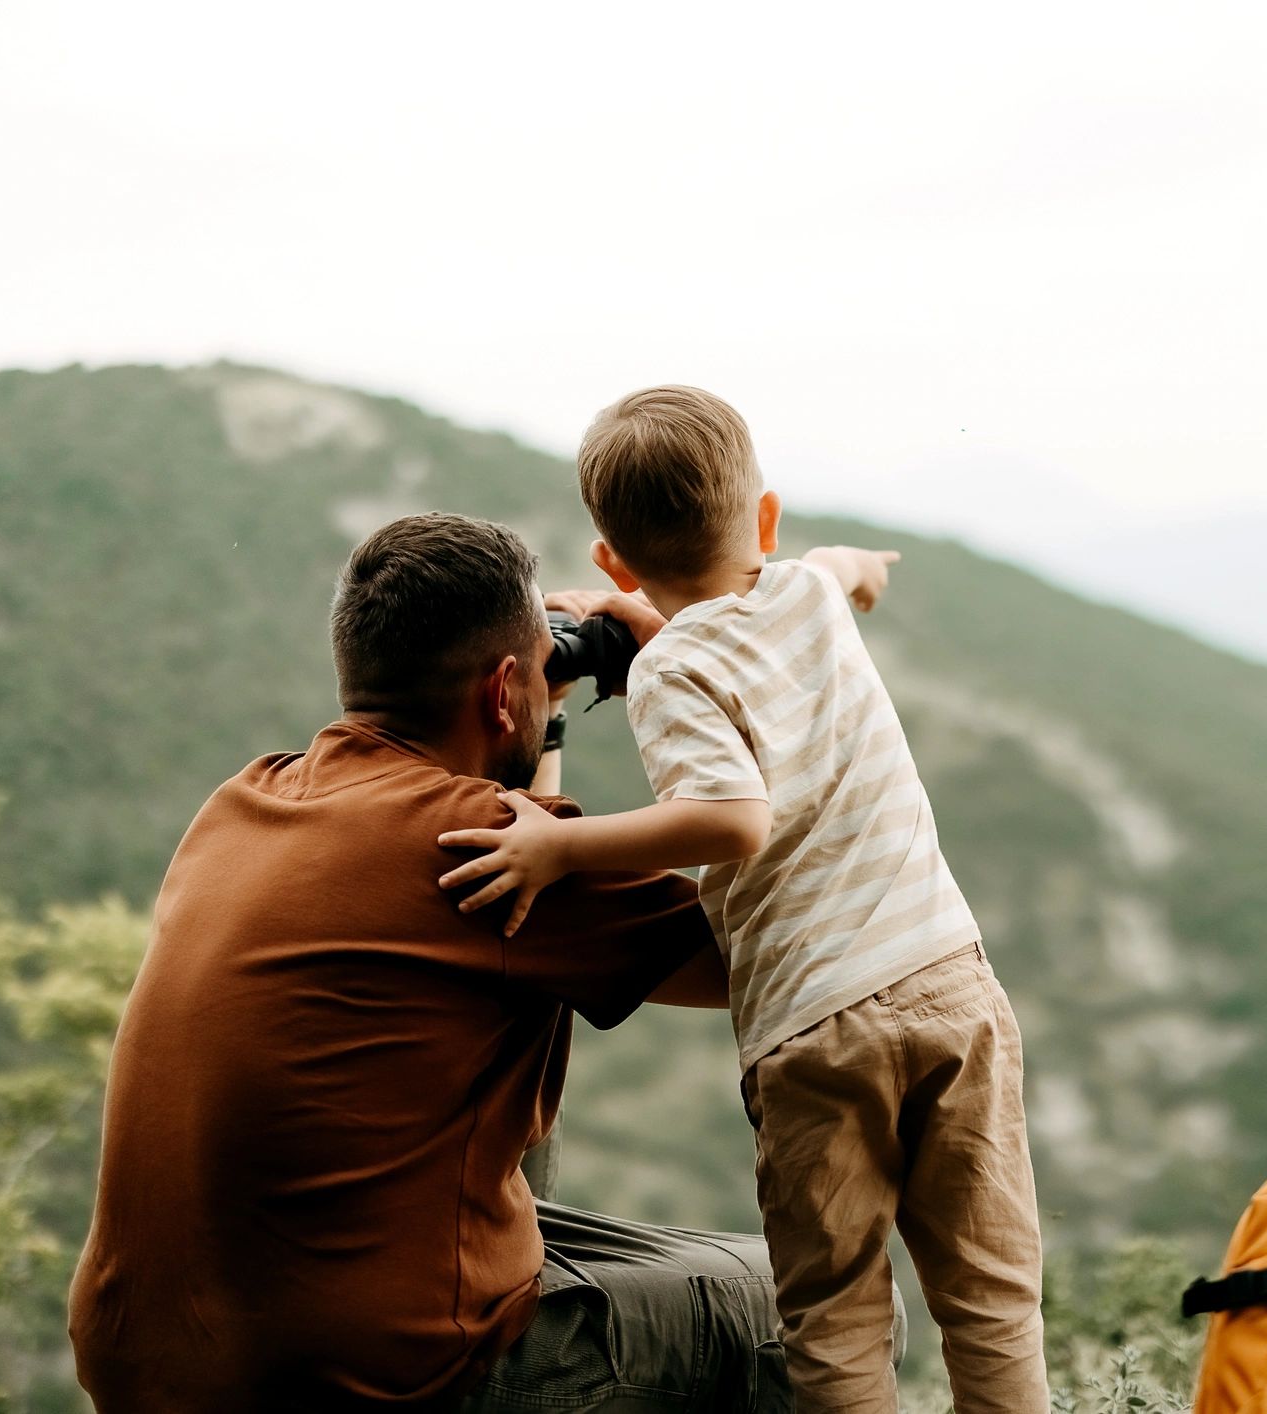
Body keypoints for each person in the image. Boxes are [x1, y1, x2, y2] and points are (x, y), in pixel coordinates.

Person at [68, 512, 800, 1412]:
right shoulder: (466, 843)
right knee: (804, 1300)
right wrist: (699, 682)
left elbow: (519, 877)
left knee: (514, 1116)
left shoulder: (245, 799)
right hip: (367, 1381)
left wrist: (541, 714)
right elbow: (781, 958)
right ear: (499, 692)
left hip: (150, 1363)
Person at [436, 388, 1048, 1414]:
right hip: (948, 985)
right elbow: (839, 568)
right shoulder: (808, 590)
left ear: (613, 565)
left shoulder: (672, 670)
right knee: (990, 1297)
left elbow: (729, 820)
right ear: (765, 517)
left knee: (836, 1318)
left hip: (818, 1028)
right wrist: (864, 571)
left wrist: (562, 846)